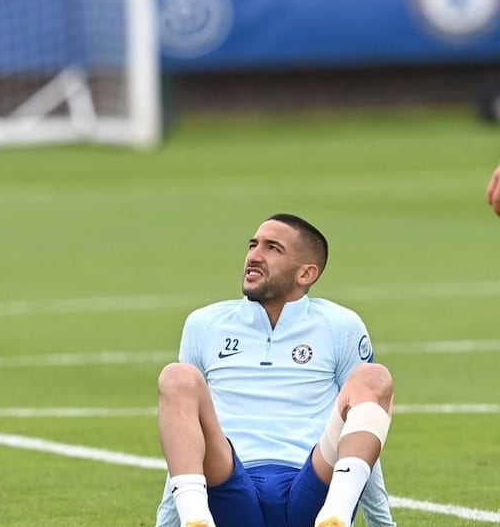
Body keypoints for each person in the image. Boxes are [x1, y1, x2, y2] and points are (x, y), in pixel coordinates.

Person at [154, 213, 396, 527]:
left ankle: (335, 516)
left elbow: (363, 435)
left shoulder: (340, 325)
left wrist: (382, 523)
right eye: (253, 245)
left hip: (313, 486)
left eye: (273, 249)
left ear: (306, 273)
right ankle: (195, 520)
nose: (254, 256)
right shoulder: (204, 324)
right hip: (229, 483)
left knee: (374, 378)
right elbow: (184, 439)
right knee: (177, 377)